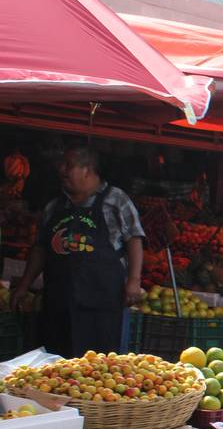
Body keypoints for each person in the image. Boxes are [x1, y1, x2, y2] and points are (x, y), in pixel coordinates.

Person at [10, 146, 145, 358]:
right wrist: (25, 285)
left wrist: (134, 281)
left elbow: (134, 240)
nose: (61, 170)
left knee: (99, 366)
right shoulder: (55, 207)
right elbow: (40, 249)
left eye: (68, 165)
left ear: (87, 170)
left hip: (102, 304)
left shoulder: (116, 200)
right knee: (57, 364)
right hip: (58, 302)